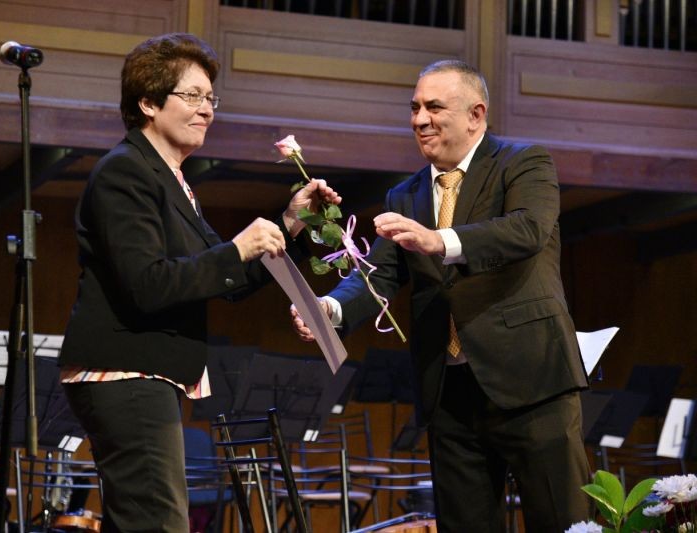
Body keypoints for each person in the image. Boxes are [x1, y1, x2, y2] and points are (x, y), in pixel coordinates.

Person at [292, 59, 591, 532]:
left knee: (562, 522)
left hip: (531, 382)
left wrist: (439, 240)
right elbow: (378, 276)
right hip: (448, 391)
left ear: (476, 114)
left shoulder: (523, 162)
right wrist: (329, 308)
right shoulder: (404, 194)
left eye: (434, 107)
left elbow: (527, 230)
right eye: (414, 108)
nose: (420, 119)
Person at [58, 33, 340, 533]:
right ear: (148, 103)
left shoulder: (170, 179)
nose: (206, 109)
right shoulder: (125, 172)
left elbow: (228, 281)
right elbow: (148, 284)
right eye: (192, 96)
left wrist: (291, 224)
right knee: (158, 524)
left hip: (145, 376)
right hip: (124, 373)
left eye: (210, 98)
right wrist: (236, 249)